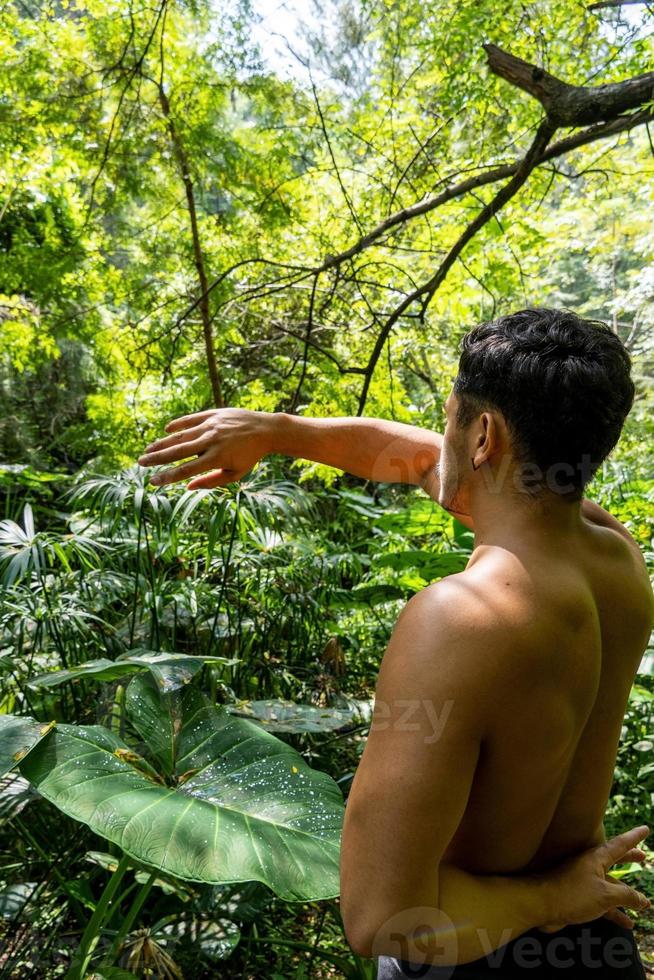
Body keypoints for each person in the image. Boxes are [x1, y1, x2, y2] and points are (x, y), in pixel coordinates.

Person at [138, 308, 653, 977]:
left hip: (473, 947)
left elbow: (382, 917)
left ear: (483, 436)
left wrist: (551, 897)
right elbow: (423, 461)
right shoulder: (617, 559)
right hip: (596, 947)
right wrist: (277, 432)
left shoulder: (460, 619)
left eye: (451, 417)